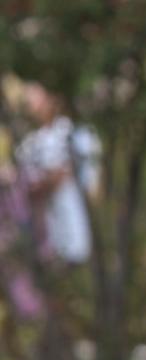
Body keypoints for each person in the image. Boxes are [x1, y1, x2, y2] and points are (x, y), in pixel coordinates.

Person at [15, 82, 100, 264]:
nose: (31, 107)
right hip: (44, 225)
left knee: (73, 250)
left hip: (69, 214)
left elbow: (63, 172)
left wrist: (44, 183)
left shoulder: (66, 130)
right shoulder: (29, 140)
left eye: (35, 101)